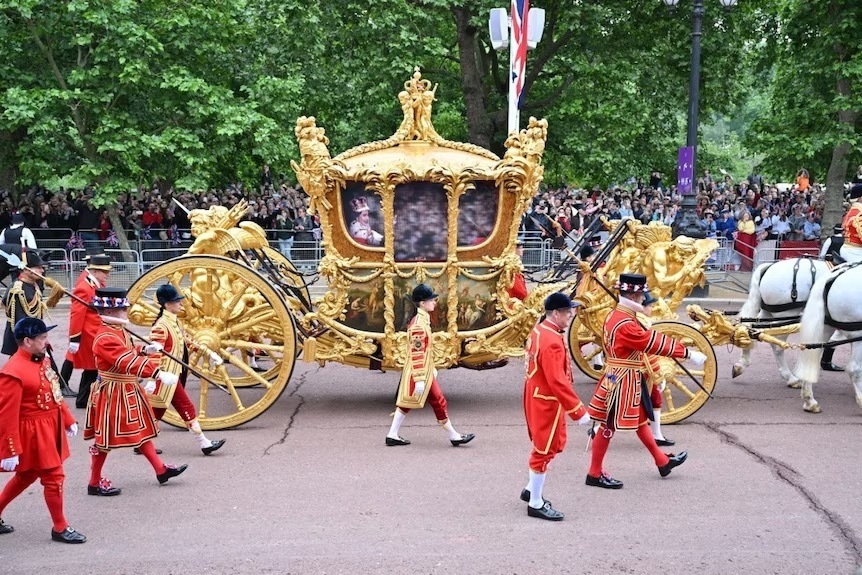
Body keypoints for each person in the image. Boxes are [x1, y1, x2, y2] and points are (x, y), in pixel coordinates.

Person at [585, 274, 705, 489]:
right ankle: (594, 473)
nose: (643, 299)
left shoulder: (619, 315)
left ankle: (662, 461)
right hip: (623, 378)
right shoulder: (626, 322)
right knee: (608, 426)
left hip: (619, 375)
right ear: (634, 295)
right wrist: (686, 353)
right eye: (641, 295)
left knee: (639, 420)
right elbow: (651, 342)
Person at [84, 287, 187, 495]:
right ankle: (94, 483)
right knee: (104, 440)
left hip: (126, 388)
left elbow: (128, 350)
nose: (126, 312)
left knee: (142, 431)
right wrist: (157, 373)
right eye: (123, 309)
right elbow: (125, 361)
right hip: (113, 391)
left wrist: (144, 349)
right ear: (111, 312)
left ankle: (160, 470)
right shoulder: (105, 336)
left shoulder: (116, 329)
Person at [0, 318, 86, 544]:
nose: (47, 342)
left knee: (26, 475)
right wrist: (10, 449)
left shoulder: (42, 359)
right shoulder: (13, 371)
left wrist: (67, 418)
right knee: (53, 476)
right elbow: (6, 415)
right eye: (42, 338)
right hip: (32, 432)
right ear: (27, 341)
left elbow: (55, 391)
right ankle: (60, 527)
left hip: (49, 426)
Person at [521, 292, 591, 521]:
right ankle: (535, 503)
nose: (571, 316)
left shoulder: (542, 330)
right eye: (568, 312)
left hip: (538, 395)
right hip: (547, 400)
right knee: (543, 450)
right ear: (557, 313)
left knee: (552, 445)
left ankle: (531, 489)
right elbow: (557, 380)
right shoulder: (551, 340)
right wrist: (578, 410)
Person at [385, 284, 474, 447]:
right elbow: (418, 353)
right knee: (438, 401)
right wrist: (420, 378)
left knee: (408, 402)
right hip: (420, 372)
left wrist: (430, 367)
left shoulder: (421, 319)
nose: (434, 301)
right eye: (431, 299)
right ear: (422, 303)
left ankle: (392, 435)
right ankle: (454, 436)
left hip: (422, 370)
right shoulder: (419, 324)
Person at [146, 284, 226, 456]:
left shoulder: (174, 322)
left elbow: (187, 342)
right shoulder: (161, 326)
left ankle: (141, 442)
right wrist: (152, 379)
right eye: (177, 301)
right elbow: (154, 355)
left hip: (175, 374)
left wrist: (209, 353)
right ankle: (204, 443)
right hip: (167, 376)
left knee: (156, 412)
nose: (181, 304)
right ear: (167, 304)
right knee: (186, 407)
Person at [62, 254, 113, 409]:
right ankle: (83, 400)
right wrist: (75, 339)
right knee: (92, 367)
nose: (107, 275)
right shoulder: (84, 287)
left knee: (93, 367)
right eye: (104, 272)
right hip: (89, 333)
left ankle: (87, 398)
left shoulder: (95, 283)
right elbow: (77, 315)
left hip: (96, 330)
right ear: (95, 271)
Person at [639, 293, 674, 446]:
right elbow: (648, 352)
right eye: (650, 306)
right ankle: (599, 429)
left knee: (656, 399)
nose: (652, 309)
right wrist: (658, 374)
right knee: (621, 406)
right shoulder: (639, 324)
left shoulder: (643, 322)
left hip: (645, 369)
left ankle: (657, 435)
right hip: (638, 370)